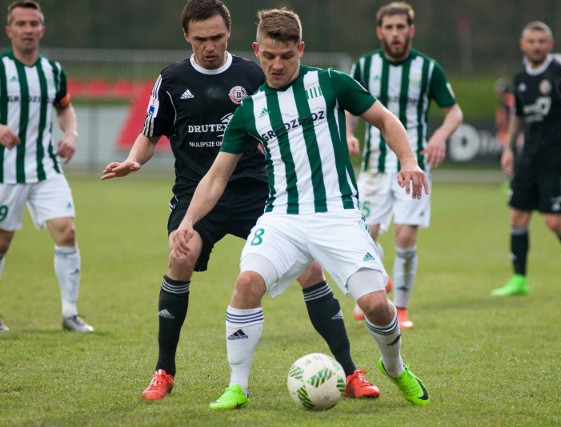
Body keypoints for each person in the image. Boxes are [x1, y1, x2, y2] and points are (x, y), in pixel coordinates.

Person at [101, 0, 379, 401]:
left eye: (216, 37)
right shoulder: (172, 80)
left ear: (230, 34)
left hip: (258, 191)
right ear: (186, 37)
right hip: (198, 192)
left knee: (310, 270)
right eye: (200, 40)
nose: (209, 46)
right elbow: (151, 132)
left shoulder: (255, 73)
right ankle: (164, 370)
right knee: (180, 257)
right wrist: (133, 160)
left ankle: (352, 372)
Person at [173, 7, 431, 410]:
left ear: (301, 50)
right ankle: (237, 385)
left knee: (377, 304)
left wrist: (409, 161)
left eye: (286, 56)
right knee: (246, 284)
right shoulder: (249, 111)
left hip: (339, 215)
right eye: (269, 56)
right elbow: (216, 177)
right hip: (282, 218)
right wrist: (188, 221)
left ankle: (394, 367)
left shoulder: (330, 83)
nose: (277, 65)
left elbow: (385, 119)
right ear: (257, 50)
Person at [346, 2, 463, 329]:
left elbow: (454, 111)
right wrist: (347, 134)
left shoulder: (428, 69)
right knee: (365, 236)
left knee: (405, 236)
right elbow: (349, 109)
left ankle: (401, 308)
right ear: (379, 31)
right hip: (373, 166)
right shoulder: (365, 66)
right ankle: (377, 286)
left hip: (414, 166)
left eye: (401, 28)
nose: (395, 33)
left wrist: (439, 136)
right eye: (389, 28)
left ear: (410, 31)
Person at [0, 0, 92, 333]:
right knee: (2, 241)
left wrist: (71, 132)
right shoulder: (1, 68)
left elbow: (64, 108)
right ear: (10, 30)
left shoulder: (52, 71)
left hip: (45, 168)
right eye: (21, 24)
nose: (28, 29)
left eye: (33, 23)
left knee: (67, 231)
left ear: (42, 29)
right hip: (4, 170)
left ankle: (70, 313)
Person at [491, 21, 561, 297]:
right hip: (529, 157)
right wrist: (509, 149)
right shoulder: (520, 76)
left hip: (556, 157)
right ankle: (519, 280)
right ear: (522, 45)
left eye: (542, 41)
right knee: (518, 216)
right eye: (532, 41)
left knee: (553, 221)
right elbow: (519, 116)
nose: (537, 46)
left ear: (550, 44)